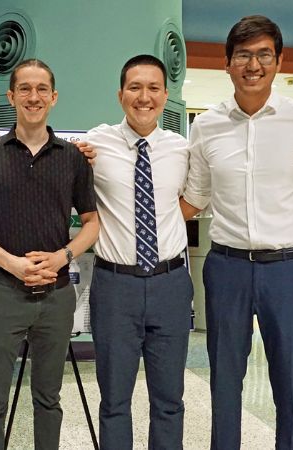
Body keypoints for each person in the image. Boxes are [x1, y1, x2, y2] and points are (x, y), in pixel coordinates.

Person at [181, 15, 293, 450]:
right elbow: (195, 197)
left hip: (289, 270)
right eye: (243, 55)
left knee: (291, 381)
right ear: (226, 63)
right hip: (226, 266)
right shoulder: (205, 125)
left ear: (279, 61)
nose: (253, 64)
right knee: (224, 382)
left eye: (264, 54)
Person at [0, 58, 99, 450]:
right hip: (4, 293)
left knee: (49, 399)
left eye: (41, 89)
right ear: (11, 96)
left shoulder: (72, 158)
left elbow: (92, 223)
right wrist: (12, 264)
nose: (33, 97)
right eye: (25, 88)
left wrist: (62, 257)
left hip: (55, 296)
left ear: (53, 97)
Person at [86, 54, 193, 449]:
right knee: (114, 400)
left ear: (165, 95)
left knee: (169, 400)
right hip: (116, 287)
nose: (143, 97)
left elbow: (193, 200)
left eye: (153, 88)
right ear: (120, 95)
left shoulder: (182, 149)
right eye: (135, 87)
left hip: (171, 284)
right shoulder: (94, 144)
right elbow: (37, 150)